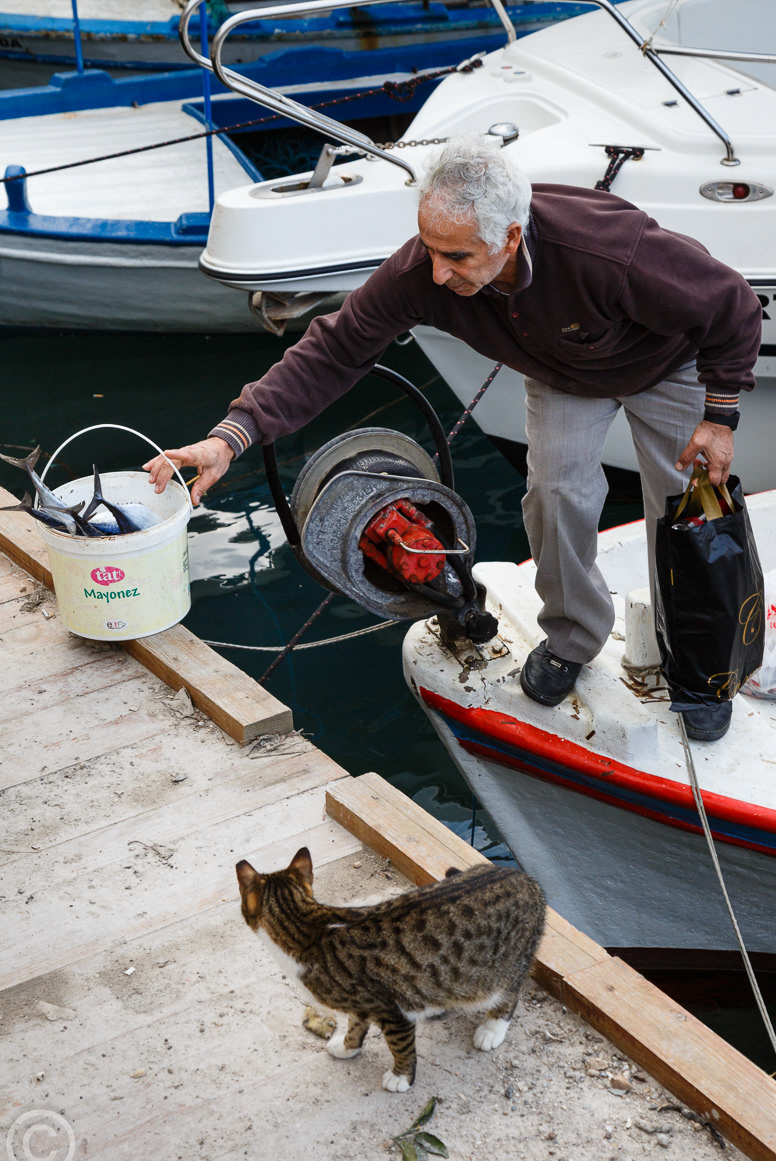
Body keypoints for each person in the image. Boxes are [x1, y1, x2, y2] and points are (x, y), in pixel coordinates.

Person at [144, 133, 761, 742]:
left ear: (511, 237)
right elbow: (335, 348)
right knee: (553, 490)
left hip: (666, 364)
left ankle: (703, 670)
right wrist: (230, 437)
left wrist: (721, 414)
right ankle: (573, 637)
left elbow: (732, 305)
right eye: (431, 250)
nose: (436, 274)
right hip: (564, 374)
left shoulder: (607, 250)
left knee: (690, 512)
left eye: (458, 258)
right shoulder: (424, 269)